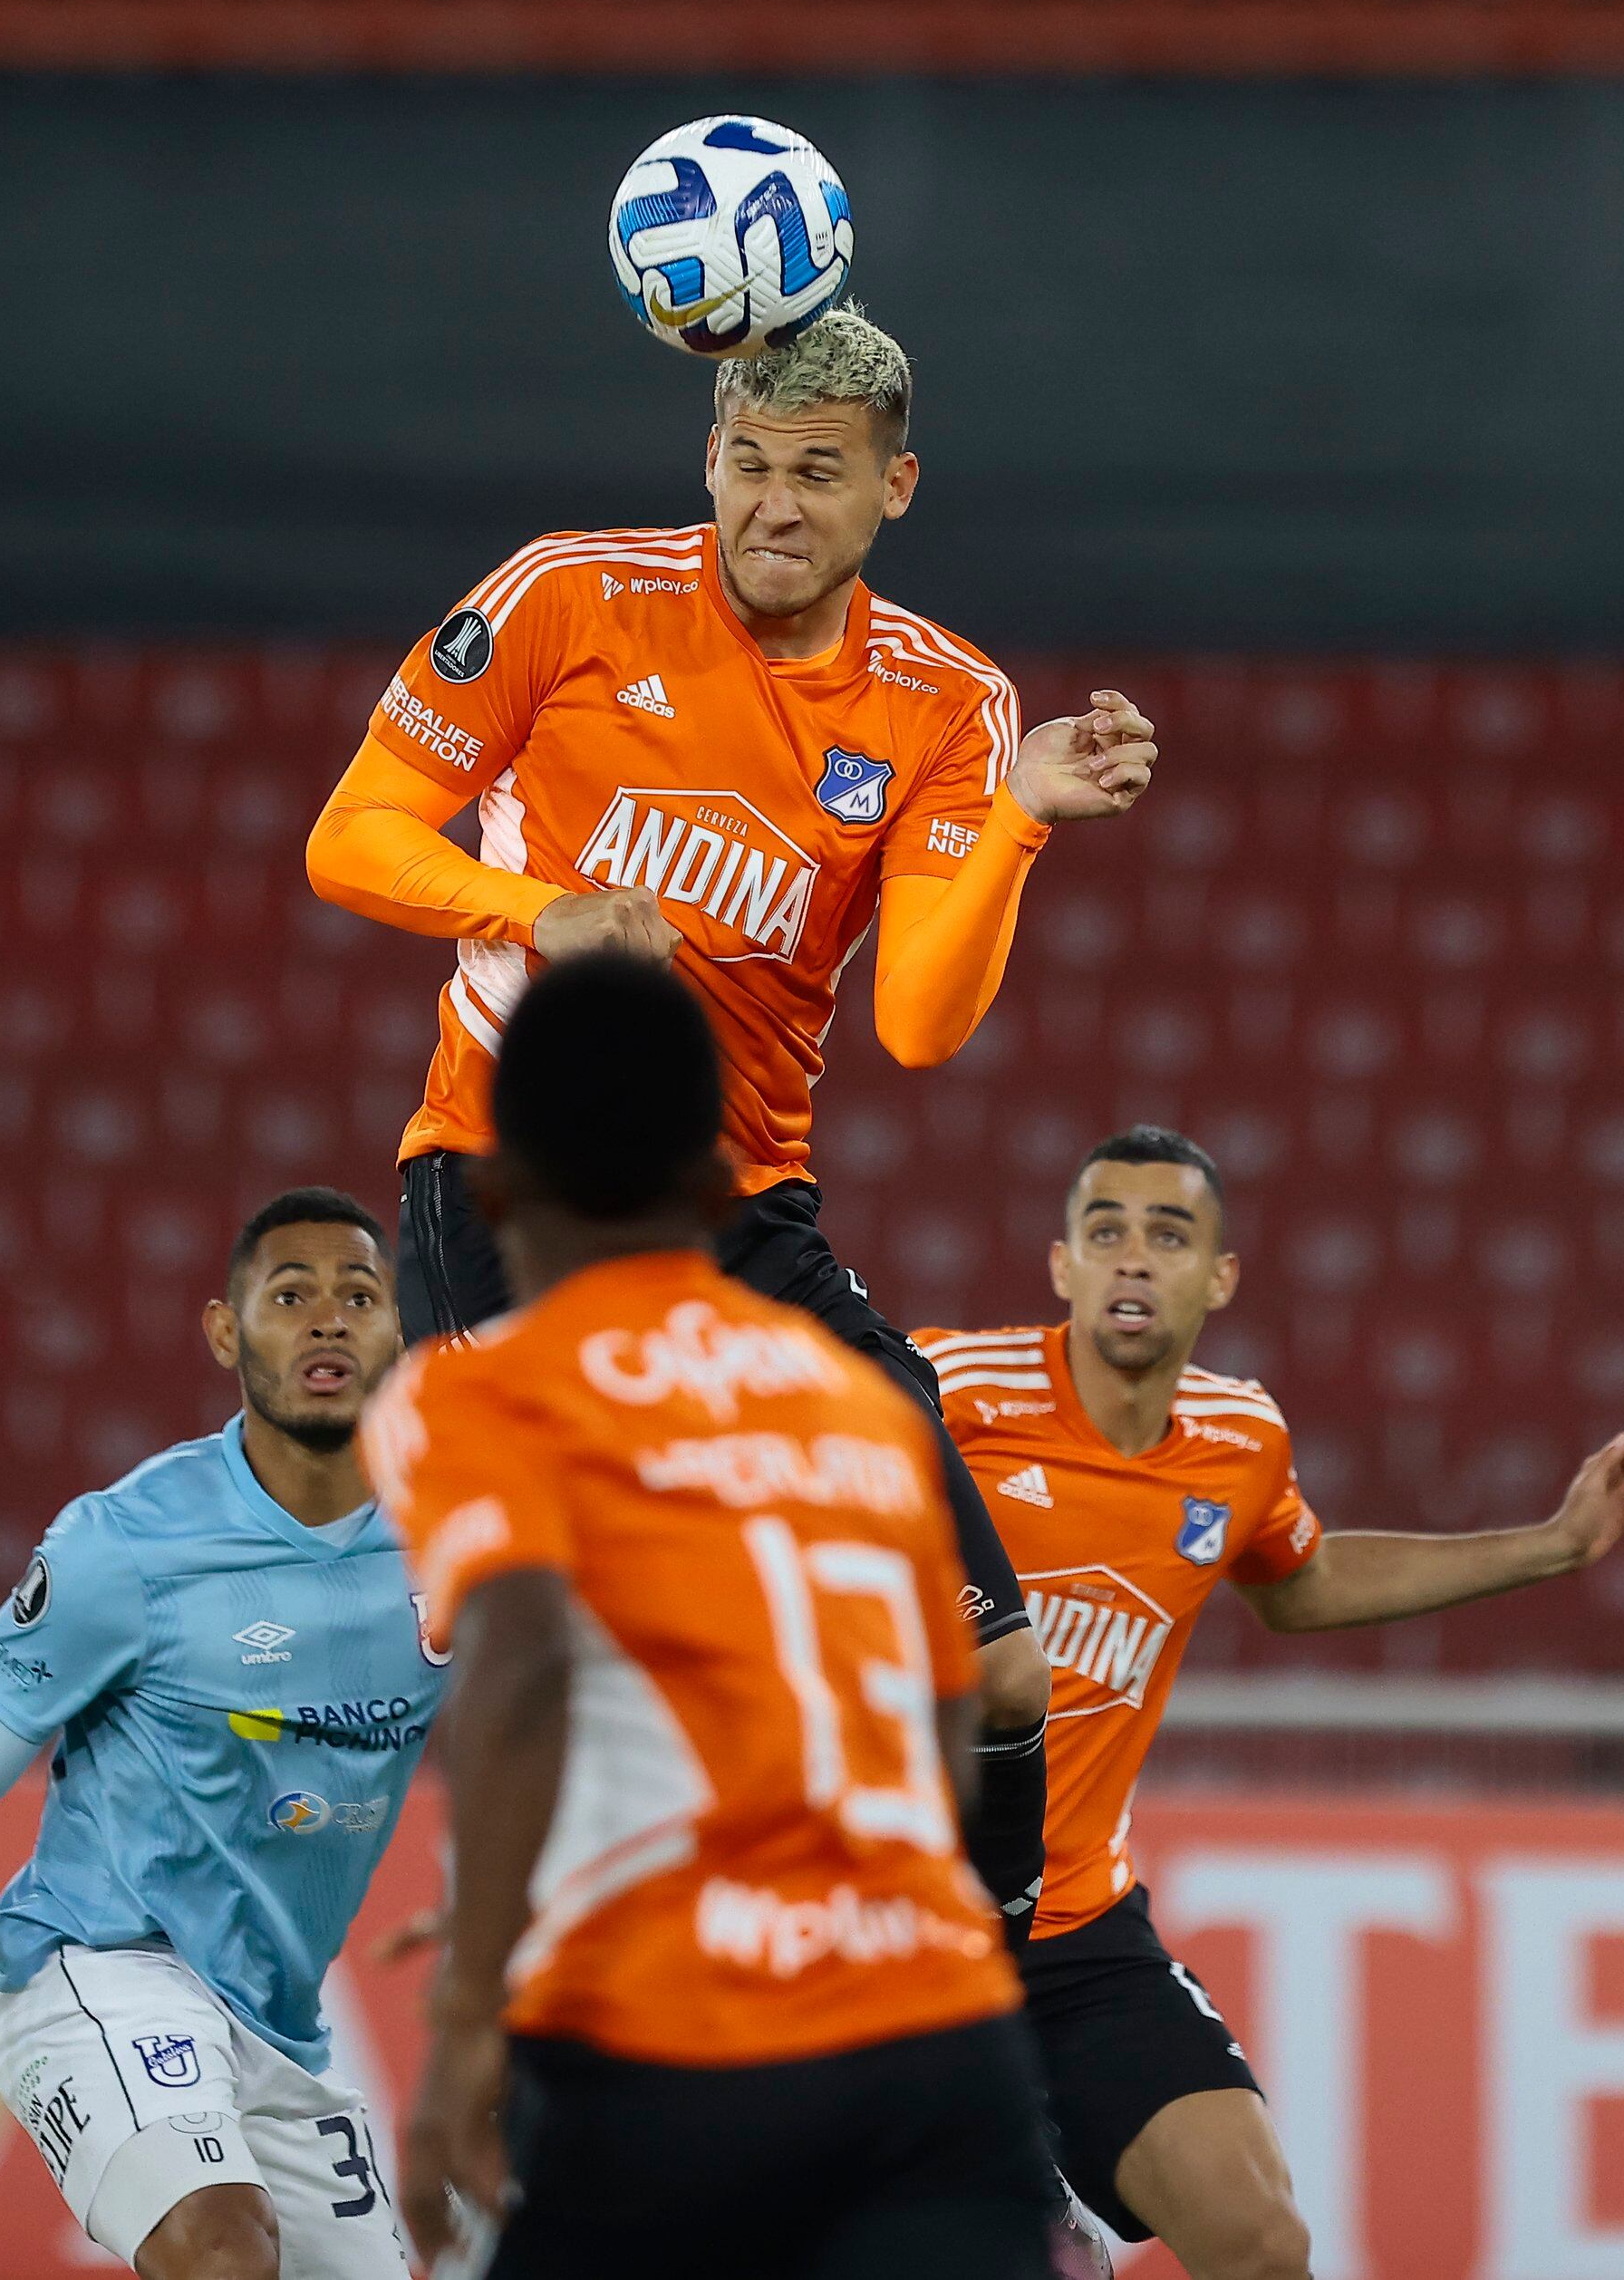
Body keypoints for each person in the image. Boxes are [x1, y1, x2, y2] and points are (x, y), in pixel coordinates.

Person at [303, 303, 1146, 1925]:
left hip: (745, 1207)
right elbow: (352, 835)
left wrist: (1020, 824)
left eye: (817, 474)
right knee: (580, 1638)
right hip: (513, 1182)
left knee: (1000, 1670)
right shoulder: (563, 596)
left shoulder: (946, 702)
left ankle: (985, 2001)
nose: (773, 504)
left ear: (895, 487)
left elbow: (920, 1022)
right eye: (747, 463)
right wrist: (537, 908)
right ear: (707, 458)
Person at [365, 953, 1058, 2278]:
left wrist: (466, 2019)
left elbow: (522, 1673)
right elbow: (946, 1716)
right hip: (938, 2044)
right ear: (712, 1182)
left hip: (676, 2049)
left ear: (492, 1192)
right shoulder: (861, 1403)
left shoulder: (477, 1391)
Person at [921, 1126, 1624, 2280]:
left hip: (1073, 1928)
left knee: (1262, 2243)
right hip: (901, 1918)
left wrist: (1555, 1543)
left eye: (1168, 1233)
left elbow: (1303, 1581)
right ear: (1061, 1265)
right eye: (1105, 1230)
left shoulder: (1239, 1439)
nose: (1134, 1256)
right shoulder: (950, 1393)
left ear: (1219, 1275)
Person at [0, 1190, 438, 2279]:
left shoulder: (454, 1536)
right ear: (225, 1330)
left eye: (359, 1295)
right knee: (221, 2248)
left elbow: (542, 1727)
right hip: (100, 1964)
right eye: (290, 1295)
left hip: (279, 2026)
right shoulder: (124, 1544)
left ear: (400, 1329)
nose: (327, 1318)